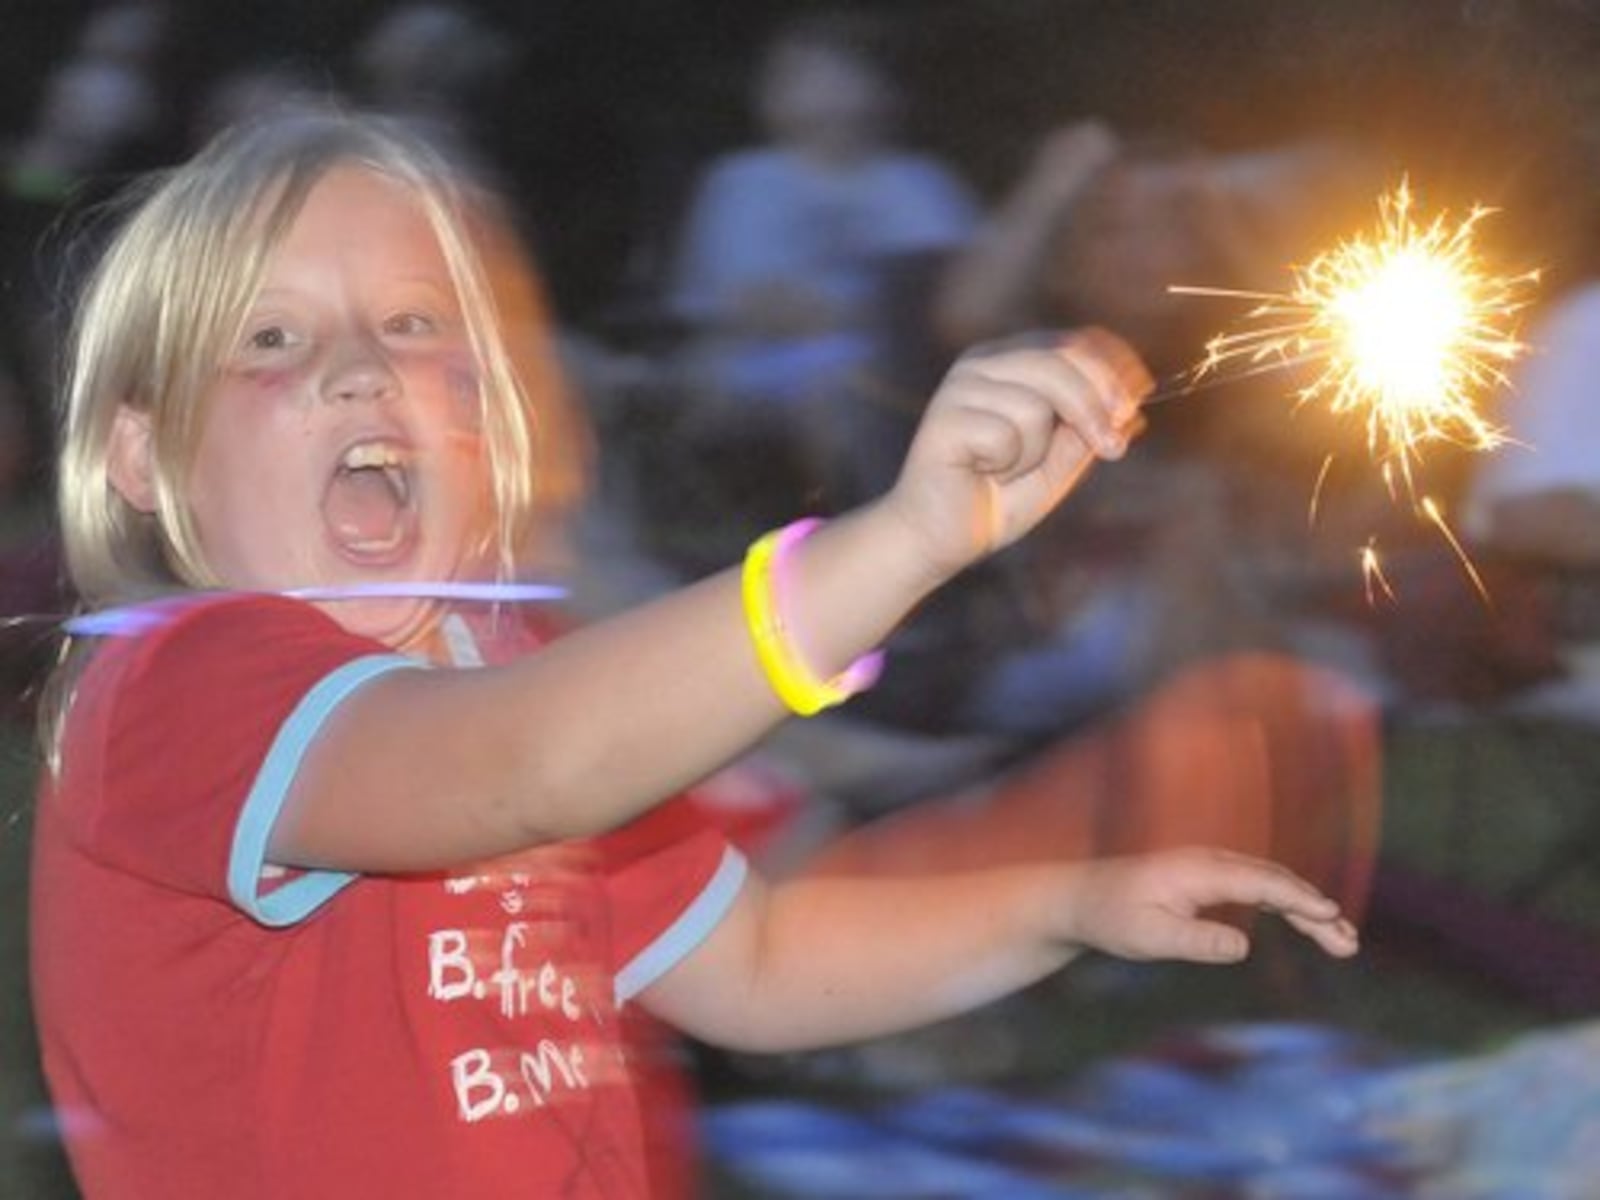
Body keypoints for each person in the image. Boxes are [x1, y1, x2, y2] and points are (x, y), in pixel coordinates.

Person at [29, 109, 1359, 1199]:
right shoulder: (181, 687)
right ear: (142, 457)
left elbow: (763, 959)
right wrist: (902, 543)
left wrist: (1064, 902)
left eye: (416, 325)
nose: (362, 369)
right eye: (270, 338)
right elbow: (528, 768)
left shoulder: (508, 674)